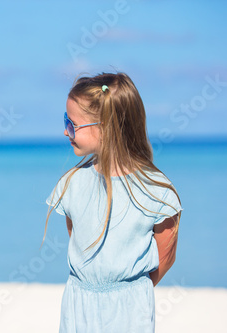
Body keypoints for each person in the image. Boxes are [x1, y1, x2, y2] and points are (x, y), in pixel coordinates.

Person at [45, 73, 182, 332]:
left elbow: (165, 256)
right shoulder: (73, 184)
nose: (65, 131)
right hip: (78, 307)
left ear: (106, 126)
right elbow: (78, 239)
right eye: (66, 121)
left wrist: (127, 290)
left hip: (131, 310)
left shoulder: (156, 192)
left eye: (72, 124)